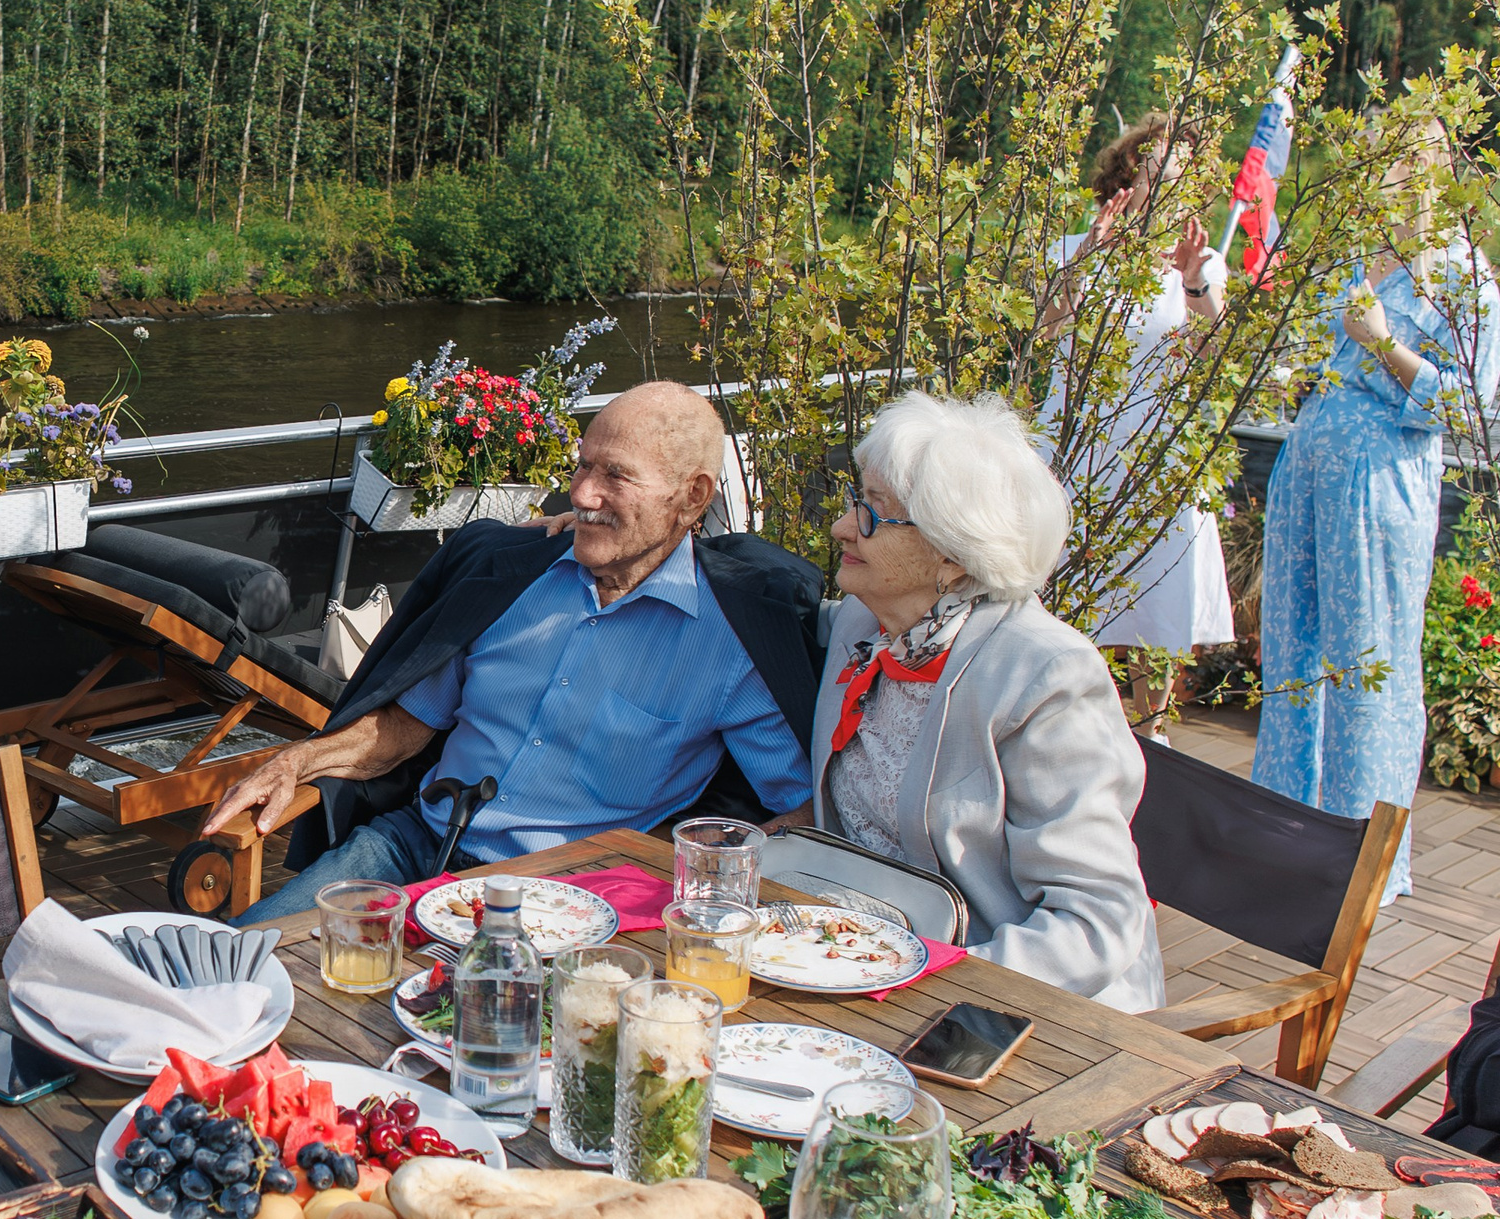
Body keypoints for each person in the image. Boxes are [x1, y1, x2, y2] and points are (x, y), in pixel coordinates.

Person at [207, 382, 825, 925]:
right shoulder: (510, 578)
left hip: (567, 900)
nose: (582, 494)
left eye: (615, 475)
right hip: (414, 848)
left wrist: (685, 879)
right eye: (582, 466)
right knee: (241, 960)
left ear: (692, 497)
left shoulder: (733, 644)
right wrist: (297, 761)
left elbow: (797, 811)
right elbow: (402, 729)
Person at [813, 390, 1161, 1010]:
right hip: (866, 960)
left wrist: (930, 986)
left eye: (873, 513)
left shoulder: (1045, 675)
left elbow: (1096, 922)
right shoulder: (863, 627)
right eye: (855, 501)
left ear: (951, 552)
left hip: (1018, 1003)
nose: (843, 526)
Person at [1254, 124, 1499, 898]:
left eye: (1387, 163)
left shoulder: (1462, 279)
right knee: (1292, 655)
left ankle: (1355, 863)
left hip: (1377, 488)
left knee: (1366, 666)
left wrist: (1386, 343)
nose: (1371, 176)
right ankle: (1283, 840)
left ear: (1423, 174)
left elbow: (1467, 409)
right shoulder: (1354, 259)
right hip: (1306, 472)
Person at [1035, 112, 1234, 737]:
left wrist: (1193, 281)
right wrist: (1085, 259)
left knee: (1159, 604)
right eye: (1160, 168)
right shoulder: (1074, 247)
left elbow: (1214, 352)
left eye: (1185, 177)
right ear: (1130, 173)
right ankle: (1059, 728)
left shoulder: (1203, 263)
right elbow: (1044, 331)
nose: (1171, 183)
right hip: (1077, 446)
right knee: (1062, 593)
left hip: (1156, 453)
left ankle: (1153, 736)